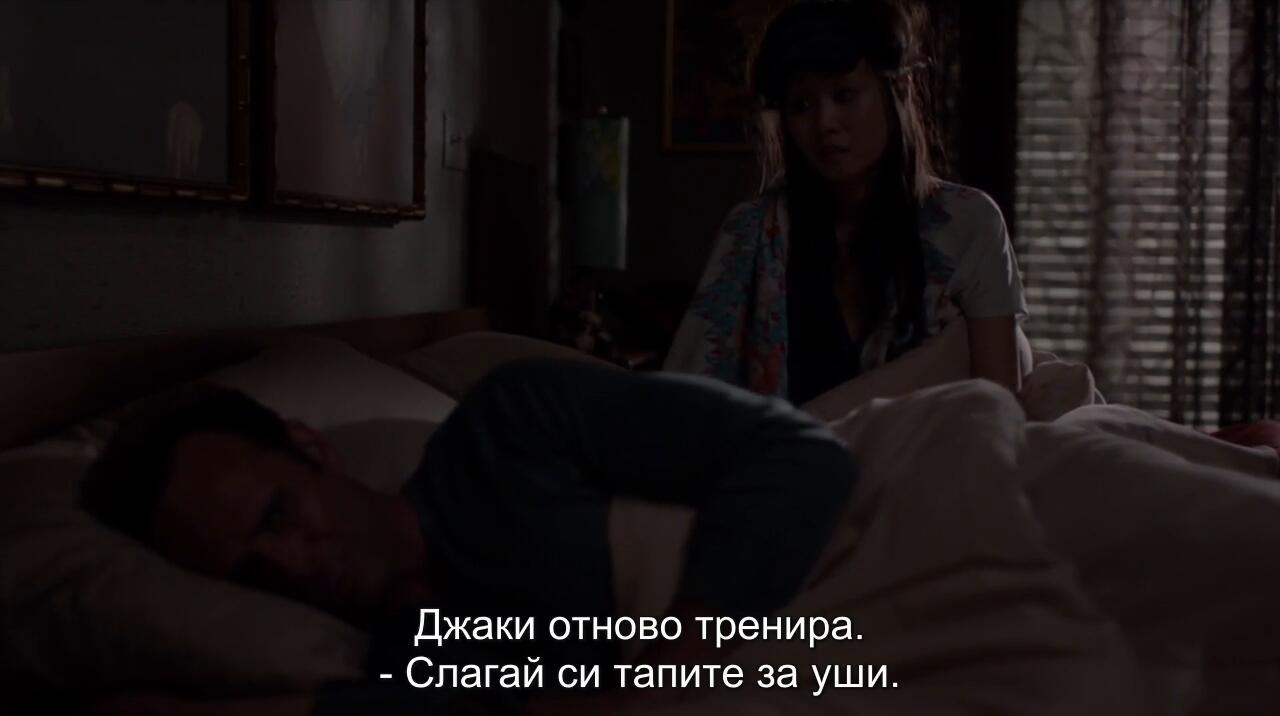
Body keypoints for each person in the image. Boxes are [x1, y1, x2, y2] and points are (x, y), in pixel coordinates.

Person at [80, 358, 858, 714]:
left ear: (310, 449)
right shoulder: (403, 658)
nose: (287, 565)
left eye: (276, 515)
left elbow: (800, 455)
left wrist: (677, 661)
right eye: (251, 572)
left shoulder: (506, 430)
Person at [665, 0, 1030, 406]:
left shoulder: (969, 222)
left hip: (934, 445)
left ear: (900, 89)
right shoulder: (753, 232)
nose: (824, 123)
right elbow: (689, 398)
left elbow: (999, 409)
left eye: (844, 95)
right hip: (785, 446)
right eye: (801, 105)